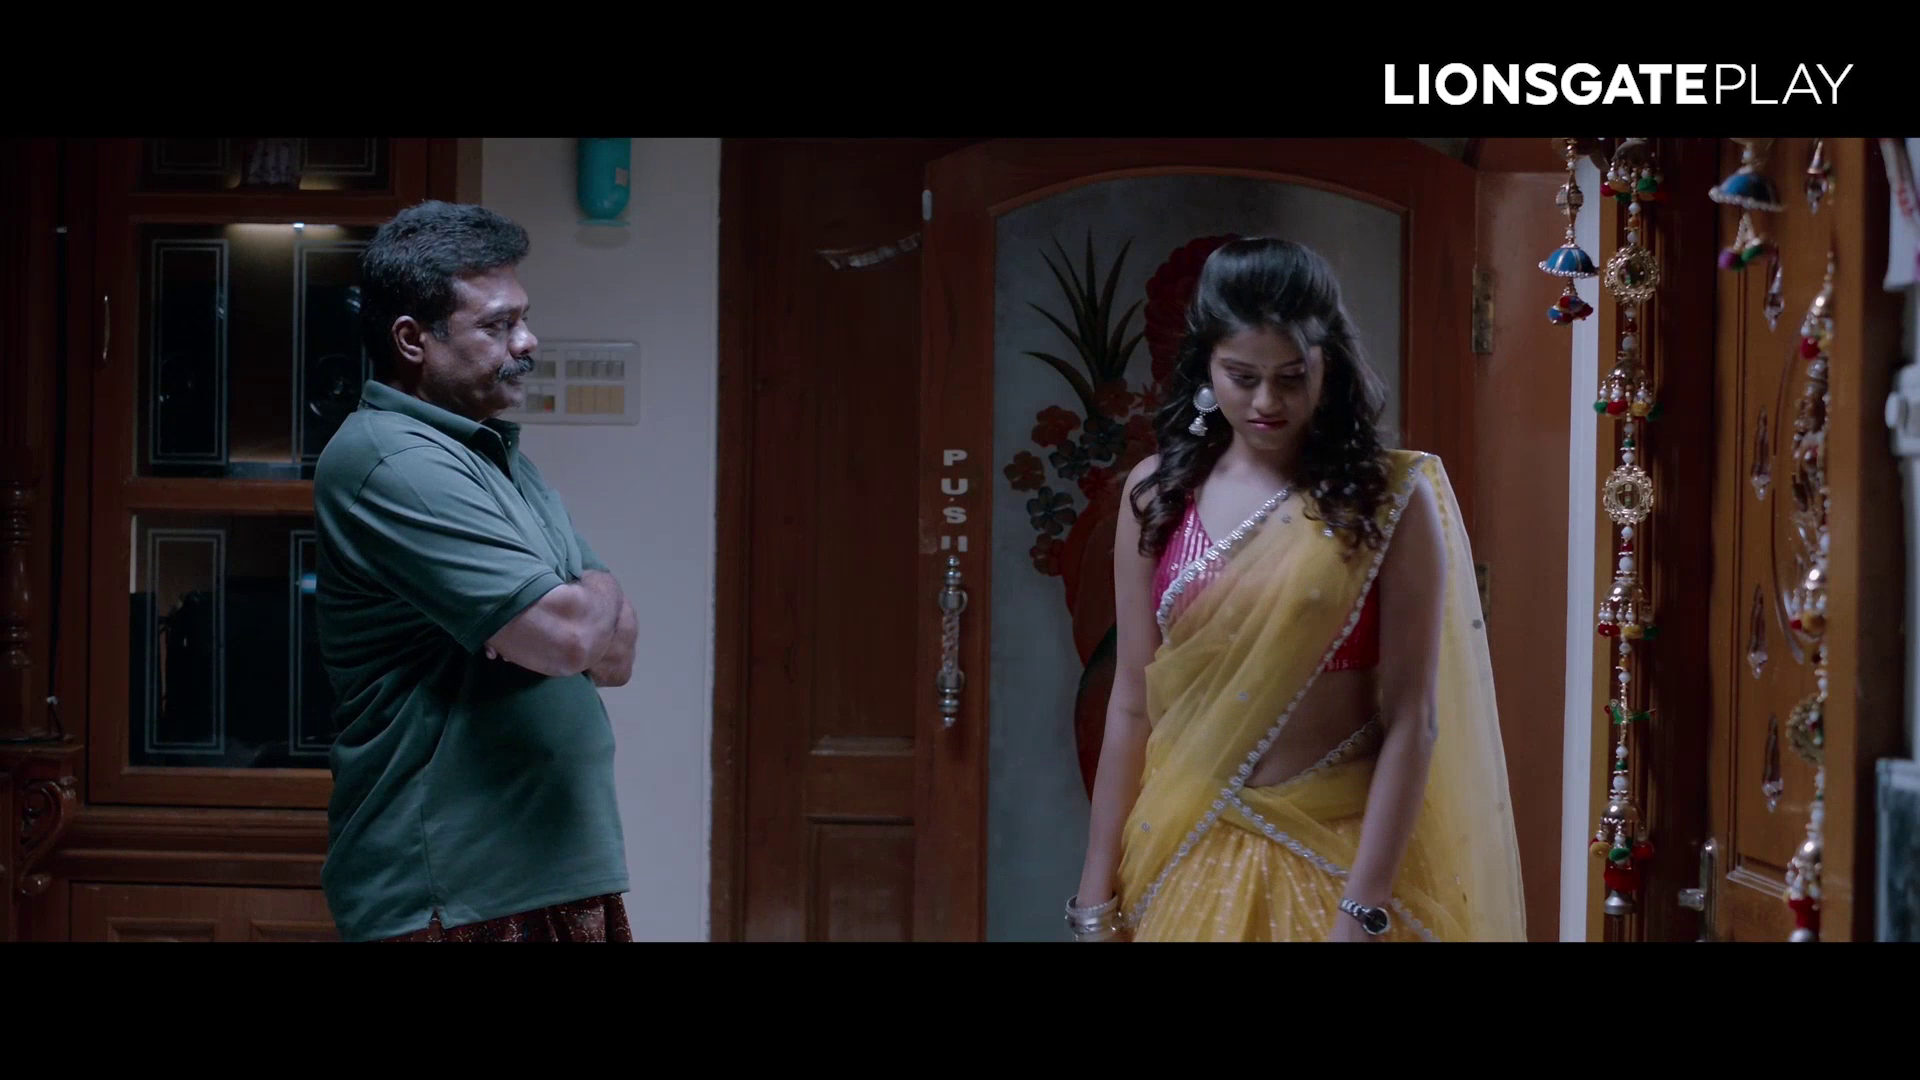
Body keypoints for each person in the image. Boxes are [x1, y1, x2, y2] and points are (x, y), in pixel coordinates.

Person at [1065, 238, 1524, 943]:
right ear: (1205, 365)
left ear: (1327, 364)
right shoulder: (1157, 495)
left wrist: (1362, 912)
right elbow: (1131, 702)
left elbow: (1413, 718)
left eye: (1290, 376)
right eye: (1242, 376)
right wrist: (1096, 891)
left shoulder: (1387, 500)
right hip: (1186, 850)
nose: (1266, 401)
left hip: (1340, 859)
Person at [313, 201, 636, 942]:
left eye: (523, 318)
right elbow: (570, 639)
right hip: (456, 892)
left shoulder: (493, 458)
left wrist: (580, 607)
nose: (527, 342)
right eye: (497, 325)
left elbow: (617, 653)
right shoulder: (391, 459)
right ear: (412, 340)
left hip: (552, 872)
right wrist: (587, 595)